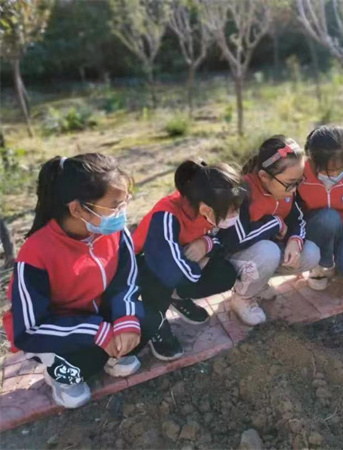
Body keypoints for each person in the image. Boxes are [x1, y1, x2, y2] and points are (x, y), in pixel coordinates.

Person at [3, 154, 160, 409]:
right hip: (59, 330)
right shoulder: (36, 254)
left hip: (97, 315)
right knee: (83, 365)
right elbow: (30, 330)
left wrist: (125, 320)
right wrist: (95, 332)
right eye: (114, 206)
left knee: (148, 321)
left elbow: (126, 282)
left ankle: (111, 354)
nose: (121, 213)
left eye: (124, 203)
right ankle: (59, 375)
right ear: (77, 209)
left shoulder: (115, 232)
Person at [133, 161, 242, 360]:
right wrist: (197, 265)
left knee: (225, 274)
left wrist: (206, 243)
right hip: (142, 265)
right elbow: (171, 269)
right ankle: (156, 322)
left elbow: (227, 240)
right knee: (159, 277)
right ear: (205, 210)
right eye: (232, 211)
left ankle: (177, 296)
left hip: (179, 258)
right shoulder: (166, 215)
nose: (236, 215)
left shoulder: (212, 204)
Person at [220, 136, 320, 326]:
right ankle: (242, 296)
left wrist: (294, 241)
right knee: (268, 251)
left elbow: (297, 217)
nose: (295, 190)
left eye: (299, 181)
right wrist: (275, 223)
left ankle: (258, 282)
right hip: (233, 256)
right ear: (264, 176)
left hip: (261, 252)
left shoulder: (285, 187)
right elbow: (235, 240)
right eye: (291, 183)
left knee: (311, 253)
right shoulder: (242, 193)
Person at [298, 126, 343, 290]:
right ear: (313, 161)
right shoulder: (299, 175)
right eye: (329, 170)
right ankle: (316, 265)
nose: (336, 173)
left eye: (341, 167)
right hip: (313, 229)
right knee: (329, 217)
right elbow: (292, 209)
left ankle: (335, 257)